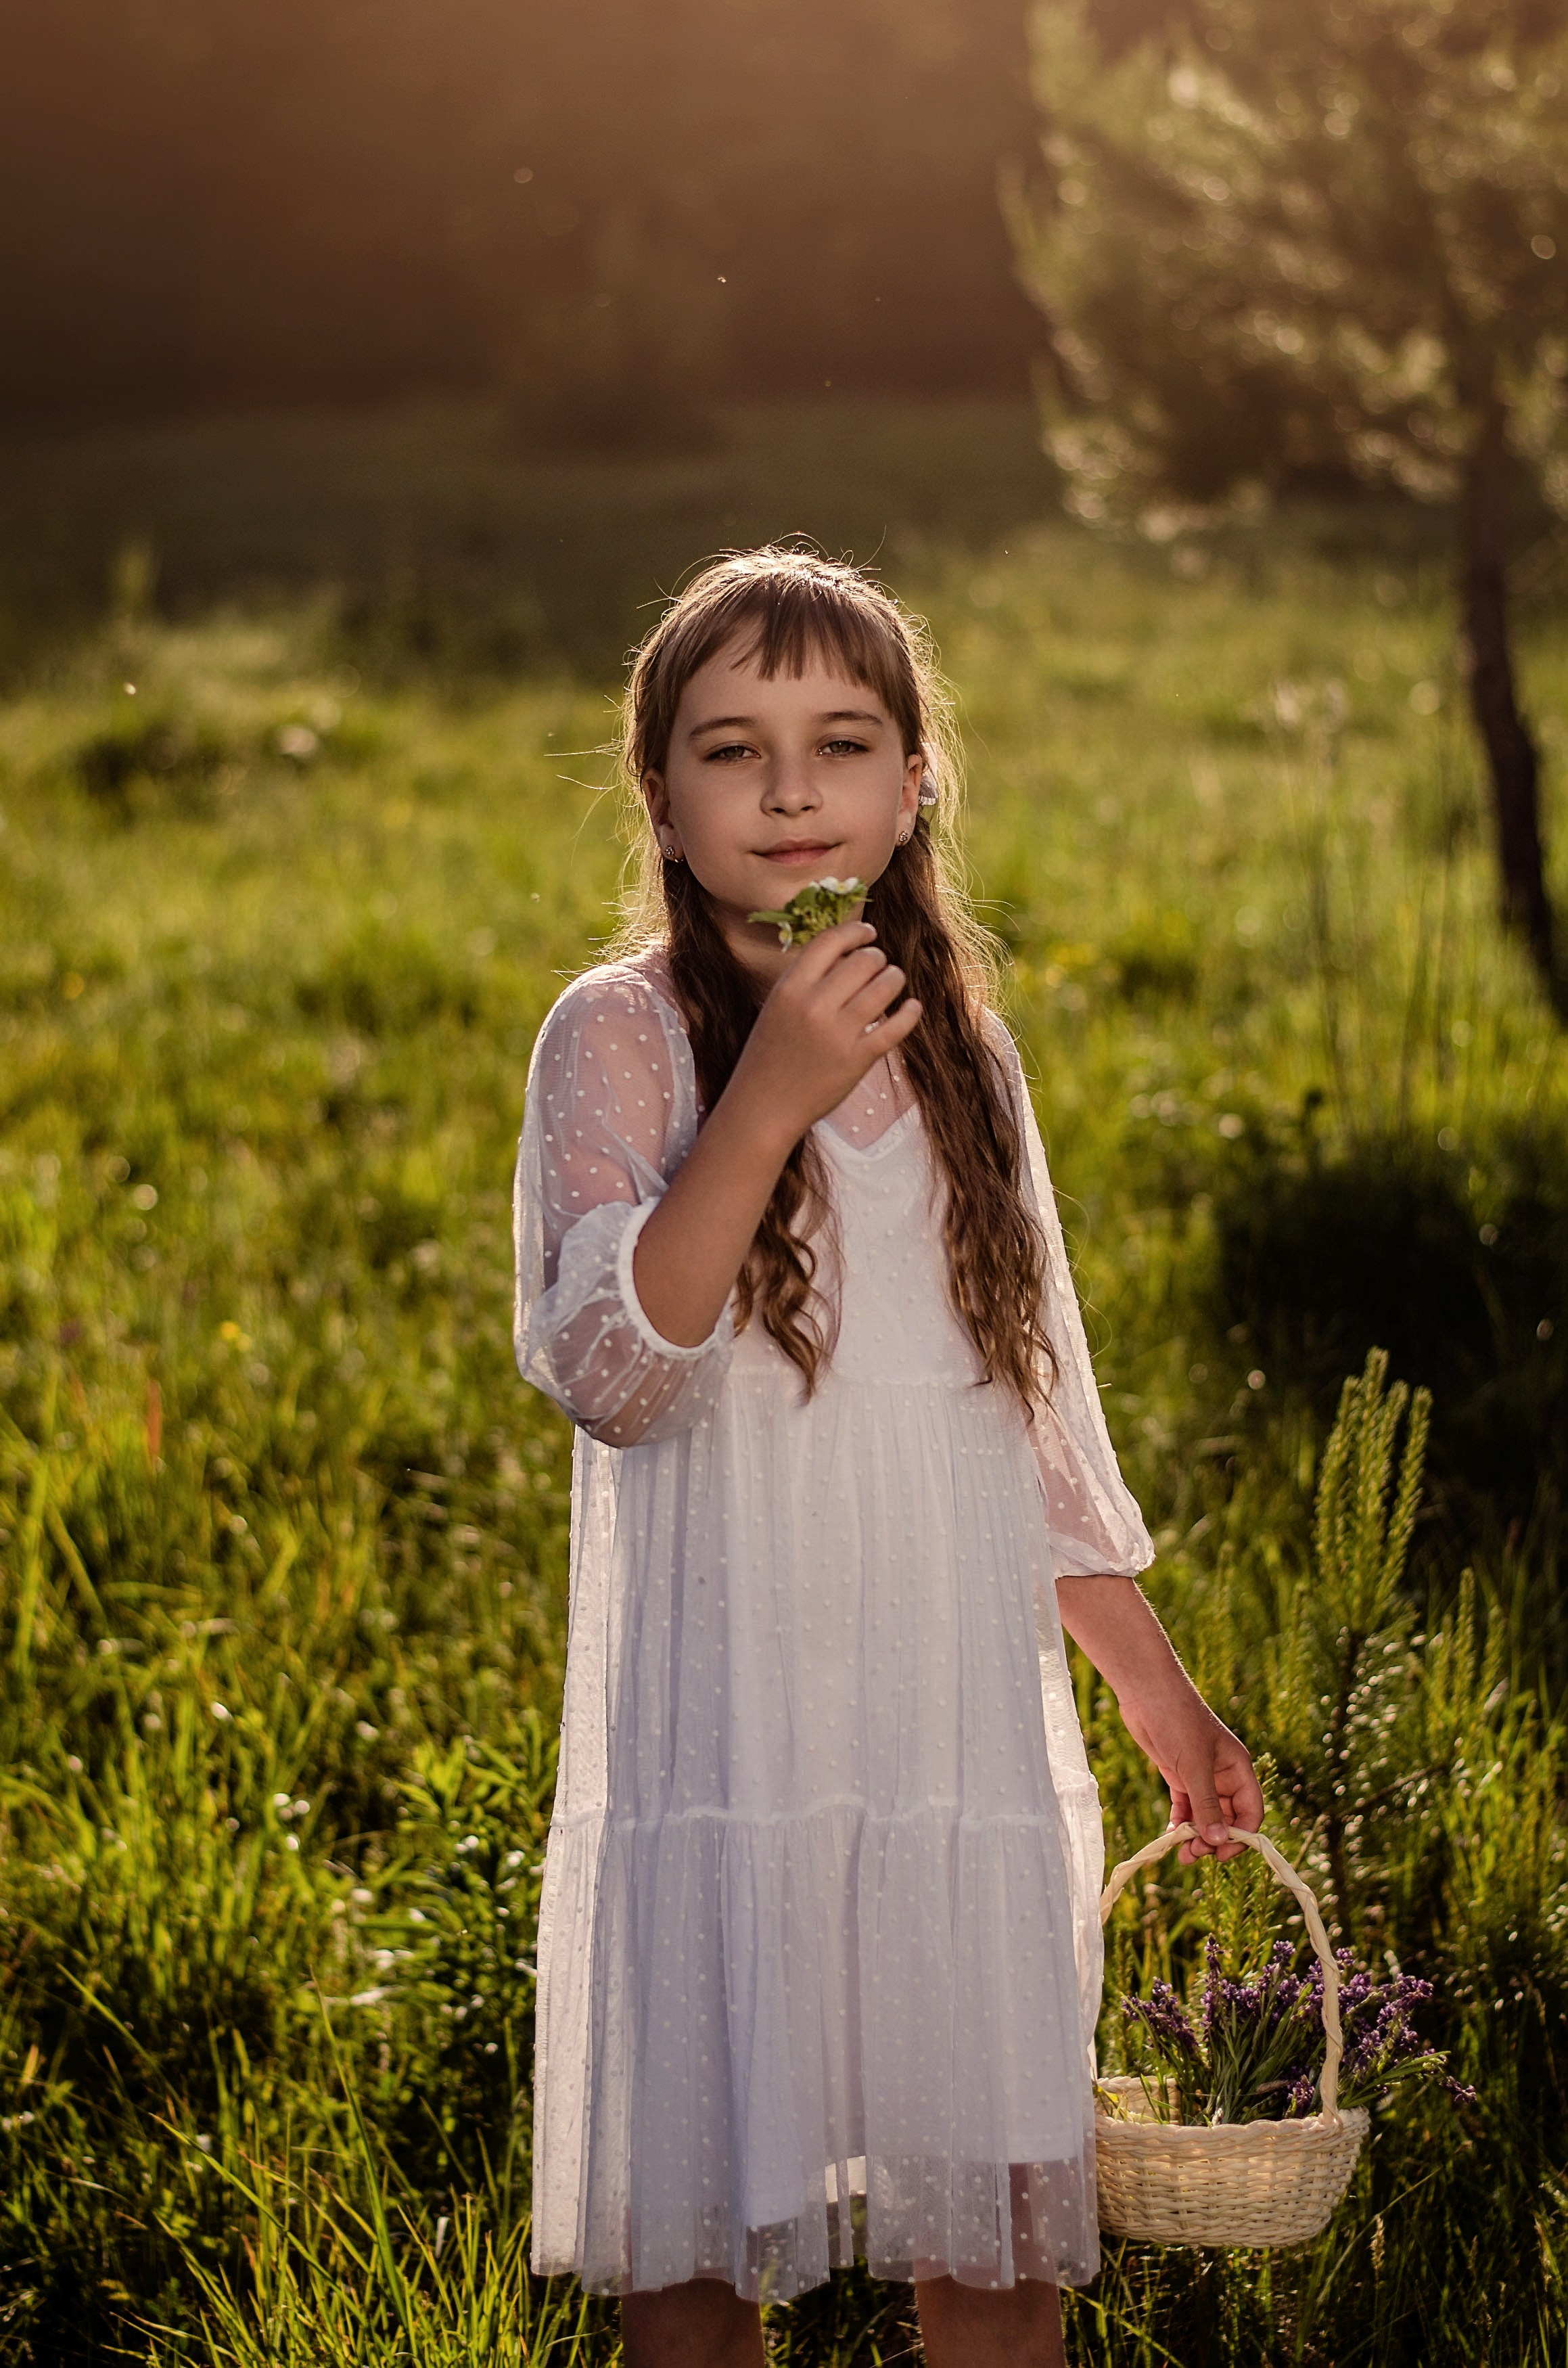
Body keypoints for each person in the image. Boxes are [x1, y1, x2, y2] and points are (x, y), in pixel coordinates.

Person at [512, 546, 1263, 2368]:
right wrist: (766, 1089)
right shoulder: (621, 1036)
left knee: (997, 2245)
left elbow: (1035, 1427)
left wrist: (1162, 1700)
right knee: (693, 2253)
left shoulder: (968, 1066)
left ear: (912, 784)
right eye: (730, 748)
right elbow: (615, 1365)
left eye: (841, 740)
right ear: (663, 802)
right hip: (730, 1738)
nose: (789, 788)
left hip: (943, 1742)